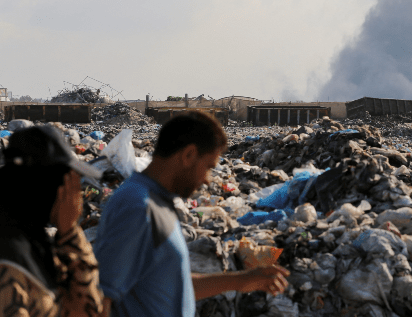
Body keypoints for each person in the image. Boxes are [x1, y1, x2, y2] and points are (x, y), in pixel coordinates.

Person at [93, 112, 289, 317]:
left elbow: (173, 286)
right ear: (188, 155)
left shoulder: (158, 203)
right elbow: (98, 298)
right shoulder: (137, 208)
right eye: (208, 167)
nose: (207, 179)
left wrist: (240, 281)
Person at [0, 125, 105, 316]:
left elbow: (86, 310)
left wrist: (70, 233)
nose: (75, 195)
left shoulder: (36, 243)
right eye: (68, 183)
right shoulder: (10, 257)